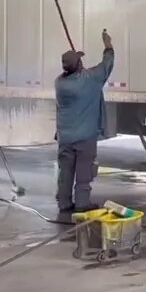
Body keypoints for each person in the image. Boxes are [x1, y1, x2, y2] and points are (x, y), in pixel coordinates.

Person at [54, 29, 114, 214]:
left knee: (65, 172)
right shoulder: (89, 80)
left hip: (65, 137)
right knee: (83, 173)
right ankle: (81, 204)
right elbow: (106, 65)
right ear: (79, 64)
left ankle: (64, 203)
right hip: (84, 137)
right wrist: (108, 46)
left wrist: (80, 68)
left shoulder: (59, 83)